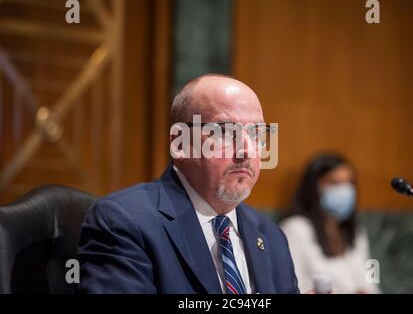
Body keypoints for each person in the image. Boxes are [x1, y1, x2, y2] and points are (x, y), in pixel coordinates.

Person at [77, 74, 299, 294]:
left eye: (256, 133)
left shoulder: (271, 236)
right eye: (224, 131)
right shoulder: (125, 222)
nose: (246, 151)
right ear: (179, 143)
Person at [280, 154, 380, 294]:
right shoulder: (296, 229)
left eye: (350, 183)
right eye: (335, 183)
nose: (345, 191)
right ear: (314, 187)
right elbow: (292, 288)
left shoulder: (356, 232)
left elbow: (371, 283)